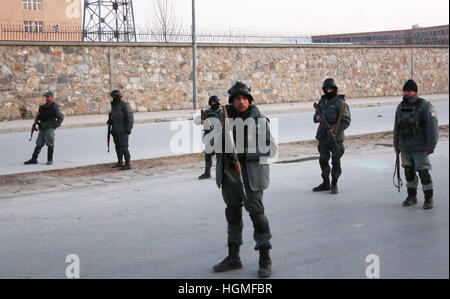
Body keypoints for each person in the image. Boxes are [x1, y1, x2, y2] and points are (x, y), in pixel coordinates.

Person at [212, 82, 277, 279]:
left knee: (257, 214)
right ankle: (234, 257)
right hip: (230, 175)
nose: (241, 102)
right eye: (237, 98)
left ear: (249, 100)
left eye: (244, 98)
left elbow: (270, 149)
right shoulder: (223, 119)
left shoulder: (259, 120)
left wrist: (246, 154)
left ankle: (264, 257)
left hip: (250, 176)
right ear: (231, 101)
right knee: (232, 213)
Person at [394, 79, 438, 210]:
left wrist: (431, 145)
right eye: (405, 90)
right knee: (408, 171)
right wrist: (396, 145)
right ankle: (411, 196)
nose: (406, 93)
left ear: (415, 91)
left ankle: (428, 198)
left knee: (423, 172)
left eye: (409, 91)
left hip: (420, 147)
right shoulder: (400, 106)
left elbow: (432, 127)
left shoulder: (424, 106)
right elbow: (396, 127)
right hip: (405, 146)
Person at [313, 78, 351, 194]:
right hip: (323, 137)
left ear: (334, 89)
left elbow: (346, 120)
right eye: (326, 89)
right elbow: (315, 117)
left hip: (335, 138)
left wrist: (335, 129)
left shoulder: (340, 103)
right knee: (323, 159)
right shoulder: (322, 102)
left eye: (331, 89)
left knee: (336, 161)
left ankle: (334, 183)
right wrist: (317, 118)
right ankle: (325, 182)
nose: (328, 91)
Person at [24, 91, 64, 165]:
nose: (46, 98)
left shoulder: (55, 106)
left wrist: (54, 125)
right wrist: (37, 120)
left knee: (50, 143)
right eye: (46, 96)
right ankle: (34, 159)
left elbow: (60, 118)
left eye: (48, 96)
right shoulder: (43, 106)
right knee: (39, 143)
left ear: (52, 97)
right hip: (42, 127)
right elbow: (39, 117)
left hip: (49, 127)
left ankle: (50, 159)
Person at [194, 96, 222, 179]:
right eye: (212, 102)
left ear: (217, 102)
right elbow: (196, 120)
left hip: (219, 136)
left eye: (214, 102)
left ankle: (220, 174)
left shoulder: (222, 112)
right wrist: (201, 121)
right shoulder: (207, 112)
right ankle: (207, 173)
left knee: (220, 157)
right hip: (209, 137)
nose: (213, 104)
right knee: (208, 155)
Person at [108, 90, 134, 170]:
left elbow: (130, 118)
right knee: (117, 146)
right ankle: (120, 162)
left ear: (118, 97)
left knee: (124, 146)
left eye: (114, 97)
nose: (113, 98)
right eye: (112, 97)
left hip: (123, 130)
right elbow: (114, 116)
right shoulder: (113, 105)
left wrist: (128, 129)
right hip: (115, 129)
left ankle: (127, 163)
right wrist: (111, 121)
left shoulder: (125, 105)